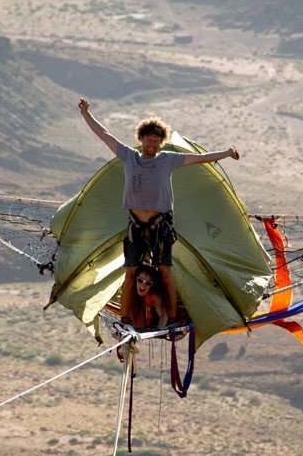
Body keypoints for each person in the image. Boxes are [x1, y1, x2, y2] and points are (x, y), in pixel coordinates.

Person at [78, 98, 240, 327]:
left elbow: (200, 159)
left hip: (160, 226)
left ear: (161, 142)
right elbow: (104, 134)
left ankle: (172, 319)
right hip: (136, 226)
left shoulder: (167, 160)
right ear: (141, 139)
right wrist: (86, 113)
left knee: (164, 272)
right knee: (131, 272)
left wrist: (226, 153)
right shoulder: (129, 156)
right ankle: (125, 318)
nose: (152, 144)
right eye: (148, 140)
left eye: (156, 140)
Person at [128, 264, 168, 330]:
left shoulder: (153, 295)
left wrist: (159, 330)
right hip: (141, 308)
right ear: (136, 280)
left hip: (154, 315)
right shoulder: (132, 290)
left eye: (148, 283)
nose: (142, 286)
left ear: (152, 285)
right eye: (140, 280)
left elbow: (163, 315)